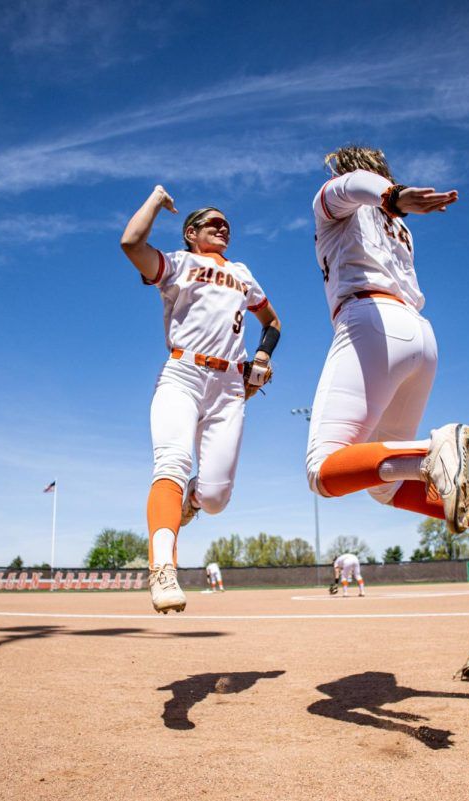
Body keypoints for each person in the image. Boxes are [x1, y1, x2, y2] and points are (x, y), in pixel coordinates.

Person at [302, 145, 469, 582]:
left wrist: (391, 194)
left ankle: (432, 451)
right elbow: (369, 192)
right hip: (419, 336)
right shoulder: (399, 226)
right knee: (385, 487)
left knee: (323, 470)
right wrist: (393, 198)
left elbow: (349, 186)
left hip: (371, 322)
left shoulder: (342, 198)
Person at [120, 185, 282, 614]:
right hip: (184, 373)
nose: (223, 227)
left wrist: (262, 356)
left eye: (227, 224)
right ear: (191, 232)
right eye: (213, 222)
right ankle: (162, 570)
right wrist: (156, 201)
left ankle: (192, 502)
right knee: (171, 462)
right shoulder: (179, 263)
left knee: (215, 498)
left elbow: (272, 322)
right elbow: (131, 244)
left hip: (230, 387)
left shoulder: (242, 272)